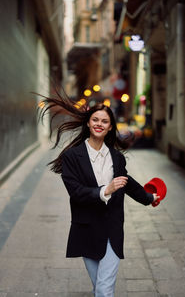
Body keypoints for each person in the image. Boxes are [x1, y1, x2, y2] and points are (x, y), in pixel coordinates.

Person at [39, 91, 159, 297]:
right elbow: (76, 193)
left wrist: (149, 197)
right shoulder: (72, 157)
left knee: (103, 290)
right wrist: (106, 190)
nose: (99, 124)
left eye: (105, 121)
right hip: (86, 229)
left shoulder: (116, 157)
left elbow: (127, 183)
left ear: (110, 127)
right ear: (88, 123)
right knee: (99, 287)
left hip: (112, 229)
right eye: (95, 119)